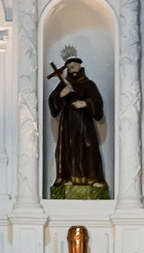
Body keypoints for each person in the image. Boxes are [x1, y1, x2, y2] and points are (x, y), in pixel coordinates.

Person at [47, 47, 109, 198]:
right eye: (69, 68)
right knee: (68, 149)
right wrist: (60, 95)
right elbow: (53, 101)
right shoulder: (63, 84)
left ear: (80, 66)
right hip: (68, 124)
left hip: (85, 124)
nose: (71, 69)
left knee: (89, 147)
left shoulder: (89, 84)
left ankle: (92, 178)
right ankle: (67, 178)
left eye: (74, 66)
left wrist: (85, 103)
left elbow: (97, 102)